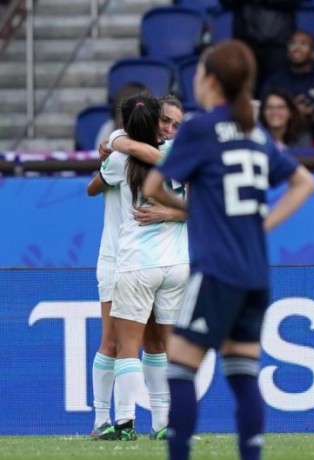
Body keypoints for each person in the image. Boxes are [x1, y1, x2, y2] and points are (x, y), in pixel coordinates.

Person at [142, 40, 314, 460]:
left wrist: (192, 208)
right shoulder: (254, 131)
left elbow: (152, 186)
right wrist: (263, 222)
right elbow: (305, 182)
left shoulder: (201, 128)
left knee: (179, 368)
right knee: (242, 375)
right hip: (255, 273)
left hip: (217, 270)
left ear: (211, 80)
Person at [86, 92, 190, 441]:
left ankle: (128, 422)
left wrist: (116, 142)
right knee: (124, 342)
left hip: (134, 262)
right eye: (165, 121)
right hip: (138, 259)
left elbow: (92, 188)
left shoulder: (121, 157)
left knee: (135, 344)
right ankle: (113, 420)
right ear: (152, 118)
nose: (169, 129)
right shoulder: (179, 156)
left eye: (176, 125)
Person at [259, 30, 314, 133]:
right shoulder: (274, 81)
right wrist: (290, 111)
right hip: (278, 135)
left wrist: (313, 117)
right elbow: (263, 113)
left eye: (303, 44)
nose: (297, 48)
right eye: (292, 43)